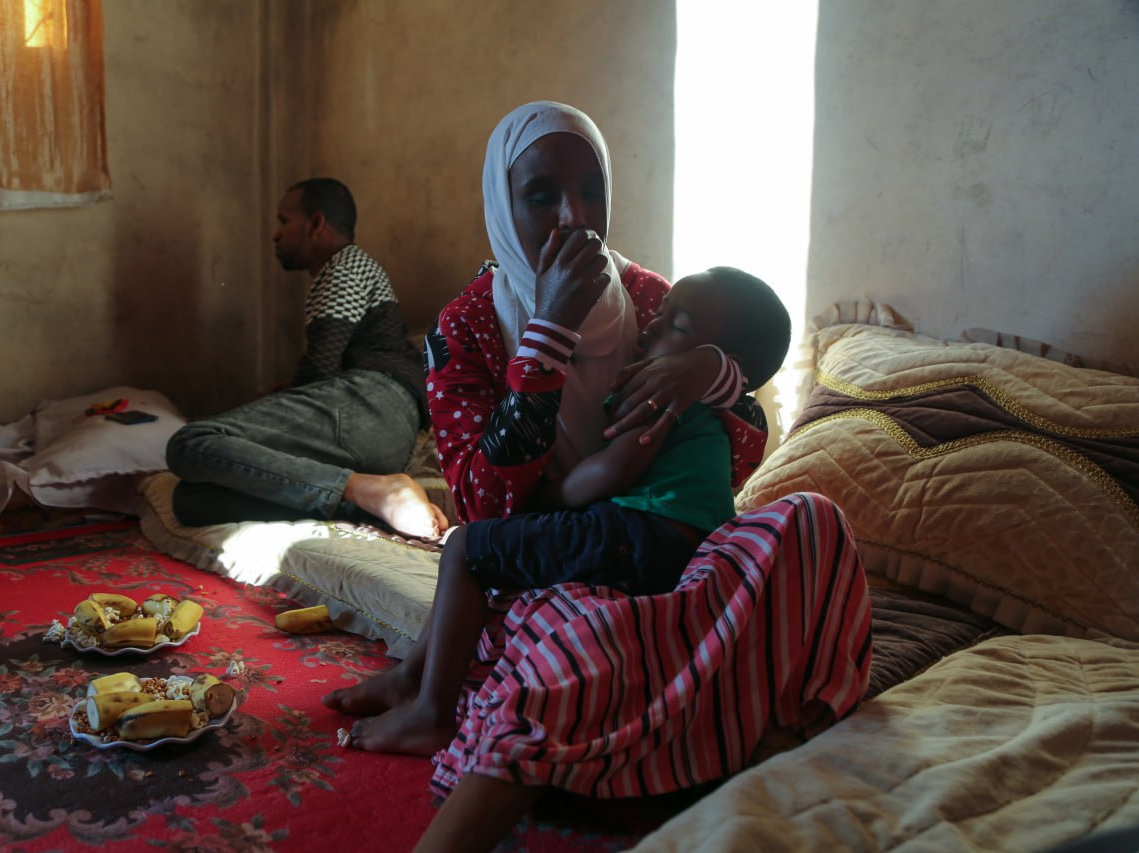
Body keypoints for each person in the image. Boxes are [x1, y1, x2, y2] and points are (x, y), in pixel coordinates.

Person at [335, 102, 872, 853]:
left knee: (812, 519)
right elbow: (486, 508)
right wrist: (548, 334)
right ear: (502, 202)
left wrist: (712, 373)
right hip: (544, 565)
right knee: (582, 643)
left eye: (592, 191)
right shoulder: (467, 327)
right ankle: (466, 699)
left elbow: (734, 456)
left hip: (656, 548)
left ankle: (700, 692)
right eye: (541, 195)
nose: (575, 217)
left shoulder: (650, 298)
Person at [332, 266, 793, 758]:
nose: (652, 325)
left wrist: (544, 498)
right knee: (493, 551)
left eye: (676, 324)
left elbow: (611, 470)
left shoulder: (664, 390)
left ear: (722, 364)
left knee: (466, 547)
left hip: (644, 536)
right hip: (667, 542)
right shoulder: (710, 402)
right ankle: (409, 678)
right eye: (660, 313)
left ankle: (431, 712)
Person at [165, 177, 449, 538]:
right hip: (380, 434)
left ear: (316, 224)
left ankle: (362, 487)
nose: (276, 234)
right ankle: (371, 502)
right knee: (191, 500)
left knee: (190, 442)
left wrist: (265, 410)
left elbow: (320, 368)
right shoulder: (342, 272)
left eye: (284, 221)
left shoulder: (347, 264)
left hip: (374, 404)